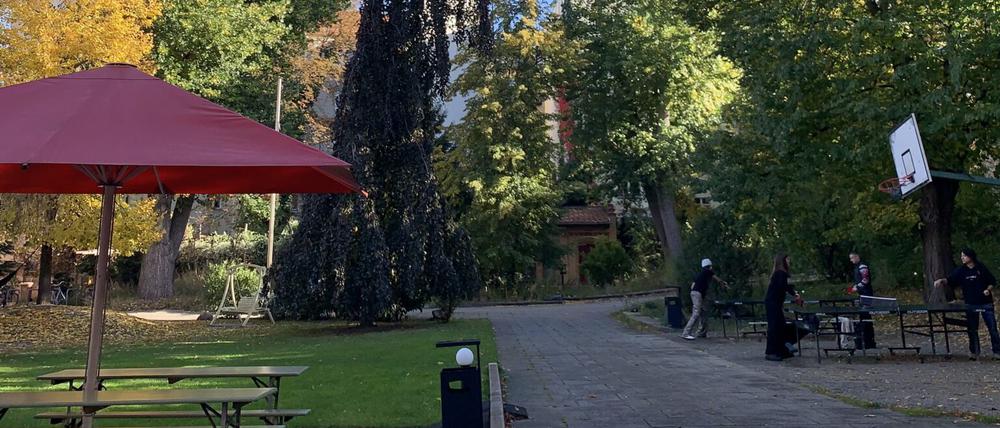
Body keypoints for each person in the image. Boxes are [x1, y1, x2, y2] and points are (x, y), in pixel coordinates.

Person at [933, 248, 1000, 359]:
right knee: (972, 329)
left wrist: (988, 290)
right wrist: (941, 281)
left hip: (985, 303)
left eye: (964, 256)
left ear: (970, 257)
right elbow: (950, 280)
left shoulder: (981, 268)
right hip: (970, 304)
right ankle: (974, 352)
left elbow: (992, 282)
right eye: (961, 256)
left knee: (992, 328)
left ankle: (997, 352)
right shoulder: (961, 270)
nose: (962, 258)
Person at [765, 254, 802, 361]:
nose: (789, 262)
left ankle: (781, 349)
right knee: (774, 326)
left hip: (775, 302)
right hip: (773, 303)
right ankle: (771, 352)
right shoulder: (780, 273)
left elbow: (785, 287)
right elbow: (783, 286)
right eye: (787, 260)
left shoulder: (780, 274)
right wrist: (794, 294)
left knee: (780, 325)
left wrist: (794, 293)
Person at [681, 258, 730, 340]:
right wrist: (724, 284)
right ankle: (686, 333)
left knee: (704, 312)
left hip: (696, 293)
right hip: (698, 294)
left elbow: (692, 286)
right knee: (696, 313)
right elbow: (718, 280)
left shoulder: (699, 274)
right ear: (709, 266)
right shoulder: (708, 272)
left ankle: (702, 332)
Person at [849, 252, 877, 349]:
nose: (851, 260)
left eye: (852, 258)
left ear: (857, 257)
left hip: (867, 295)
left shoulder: (862, 267)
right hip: (862, 294)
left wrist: (856, 287)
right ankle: (867, 341)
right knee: (864, 317)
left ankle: (869, 341)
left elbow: (865, 280)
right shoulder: (857, 267)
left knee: (865, 316)